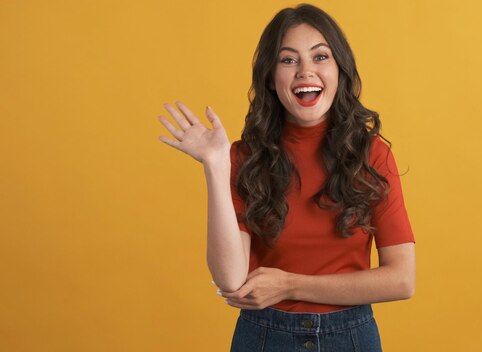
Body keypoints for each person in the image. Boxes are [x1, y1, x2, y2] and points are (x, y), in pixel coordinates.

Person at [157, 4, 415, 351]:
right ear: (270, 77)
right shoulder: (244, 158)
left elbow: (401, 280)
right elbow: (230, 279)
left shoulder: (371, 155)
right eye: (288, 60)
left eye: (320, 57)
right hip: (263, 336)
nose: (305, 72)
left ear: (340, 69)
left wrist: (291, 286)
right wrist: (216, 166)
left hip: (350, 337)